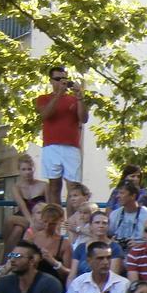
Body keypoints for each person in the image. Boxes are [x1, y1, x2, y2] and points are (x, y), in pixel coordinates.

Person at [34, 66, 89, 204]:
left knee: (73, 188)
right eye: (58, 79)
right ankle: (57, 221)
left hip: (71, 147)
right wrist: (59, 94)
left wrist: (80, 98)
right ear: (51, 81)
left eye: (64, 79)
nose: (62, 82)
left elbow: (84, 119)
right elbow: (46, 114)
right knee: (54, 186)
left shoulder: (73, 99)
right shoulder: (43, 98)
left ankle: (72, 221)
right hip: (51, 146)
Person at [3, 155, 49, 254]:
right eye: (23, 169)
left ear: (33, 169)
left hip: (39, 216)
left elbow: (49, 206)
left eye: (29, 169)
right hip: (23, 215)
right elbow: (22, 206)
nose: (27, 172)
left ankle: (5, 259)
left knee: (17, 229)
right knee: (14, 226)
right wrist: (31, 223)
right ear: (19, 171)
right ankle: (6, 255)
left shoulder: (44, 185)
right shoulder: (16, 187)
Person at [25, 202, 74, 284]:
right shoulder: (32, 238)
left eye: (52, 224)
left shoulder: (65, 244)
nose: (47, 226)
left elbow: (69, 273)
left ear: (59, 221)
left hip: (54, 284)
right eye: (45, 222)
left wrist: (53, 262)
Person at [69, 209, 121, 278]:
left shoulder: (115, 248)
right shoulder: (81, 247)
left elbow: (113, 276)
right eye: (97, 222)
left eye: (104, 223)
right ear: (90, 226)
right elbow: (72, 275)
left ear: (108, 226)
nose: (101, 225)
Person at [108, 182, 147, 248]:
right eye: (118, 193)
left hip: (141, 254)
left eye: (122, 193)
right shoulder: (114, 214)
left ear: (133, 196)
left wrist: (142, 245)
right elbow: (107, 235)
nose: (117, 196)